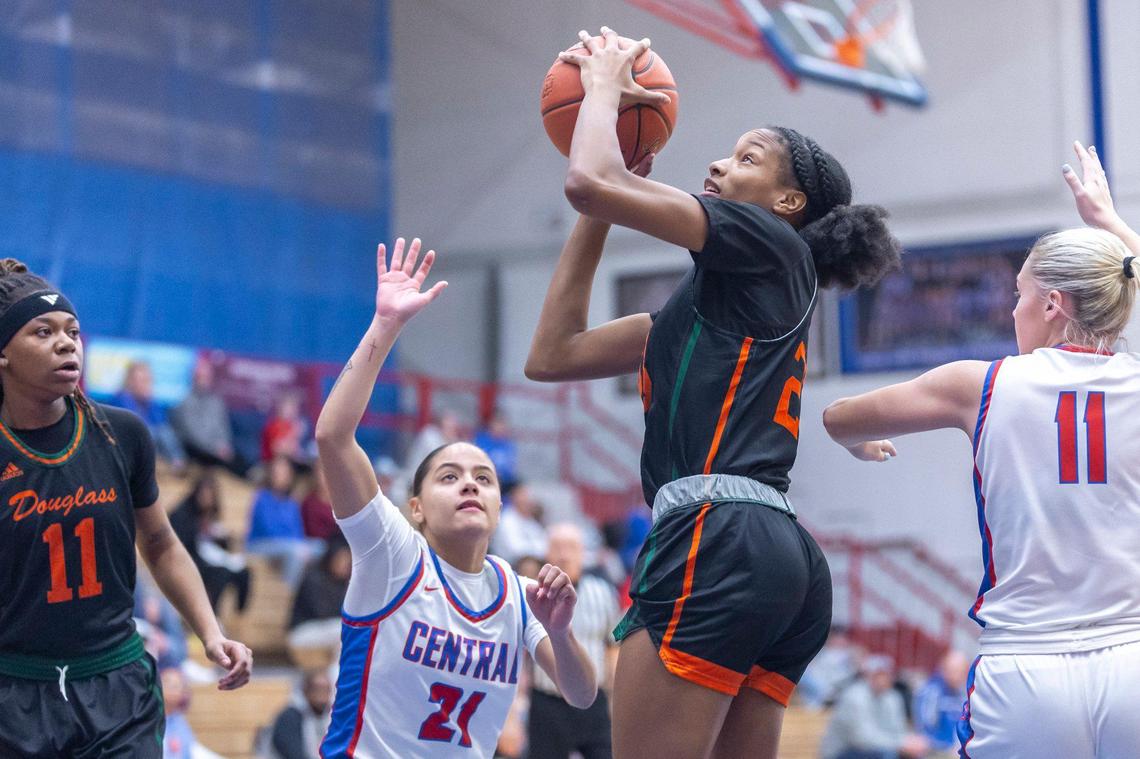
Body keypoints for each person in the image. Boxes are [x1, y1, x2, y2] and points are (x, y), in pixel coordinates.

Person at [526, 27, 902, 758]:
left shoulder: (771, 241)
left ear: (788, 200)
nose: (719, 163)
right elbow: (552, 354)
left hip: (717, 537)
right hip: (774, 552)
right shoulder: (707, 311)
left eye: (746, 157)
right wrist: (602, 201)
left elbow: (585, 176)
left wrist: (602, 88)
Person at [821, 142, 1140, 759]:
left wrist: (859, 446)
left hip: (1029, 667)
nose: (1012, 310)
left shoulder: (980, 383)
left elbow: (837, 419)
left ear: (1051, 303)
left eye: (1019, 295)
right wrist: (1111, 227)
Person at [314, 238, 597, 757]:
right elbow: (334, 436)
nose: (470, 483)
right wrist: (387, 325)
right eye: (448, 476)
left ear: (499, 506)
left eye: (484, 478)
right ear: (415, 506)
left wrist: (559, 632)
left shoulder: (517, 591)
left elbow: (581, 695)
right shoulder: (394, 556)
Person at [0, 260, 251, 757]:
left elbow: (160, 543)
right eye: (42, 332)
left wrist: (210, 632)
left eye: (73, 331)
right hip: (16, 693)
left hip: (117, 686)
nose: (67, 342)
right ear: (3, 354)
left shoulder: (122, 433)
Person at [529, 522, 622, 759]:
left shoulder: (602, 592)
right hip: (547, 701)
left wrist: (613, 697)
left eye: (571, 547)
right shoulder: (531, 593)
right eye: (557, 547)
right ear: (546, 554)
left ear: (583, 554)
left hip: (594, 699)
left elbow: (611, 645)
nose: (564, 554)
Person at [168, 470, 251, 613]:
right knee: (221, 574)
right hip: (188, 559)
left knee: (243, 573)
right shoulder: (182, 513)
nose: (207, 499)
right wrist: (199, 531)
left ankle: (240, 614)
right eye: (204, 494)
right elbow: (179, 541)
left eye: (210, 495)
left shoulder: (211, 513)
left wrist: (220, 538)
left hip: (210, 557)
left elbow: (219, 544)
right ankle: (213, 614)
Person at [817, 655, 929, 759]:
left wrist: (910, 742)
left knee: (913, 754)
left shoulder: (892, 697)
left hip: (871, 749)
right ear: (868, 675)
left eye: (886, 674)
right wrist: (901, 743)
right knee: (887, 754)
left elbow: (898, 730)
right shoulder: (855, 696)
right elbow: (862, 739)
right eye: (878, 674)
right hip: (840, 752)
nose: (883, 679)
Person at [245, 455, 322, 587]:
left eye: (285, 473)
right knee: (295, 551)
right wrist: (297, 546)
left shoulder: (292, 502)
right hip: (259, 543)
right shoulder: (261, 497)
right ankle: (288, 592)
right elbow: (268, 530)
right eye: (278, 472)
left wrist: (301, 547)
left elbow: (298, 531)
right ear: (271, 474)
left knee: (321, 547)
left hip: (288, 546)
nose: (281, 476)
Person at [171, 357, 247, 476]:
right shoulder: (185, 403)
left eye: (206, 376)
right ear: (193, 378)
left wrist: (223, 445)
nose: (203, 380)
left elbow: (223, 428)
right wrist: (214, 449)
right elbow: (193, 435)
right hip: (198, 450)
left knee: (241, 461)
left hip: (218, 449)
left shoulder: (217, 402)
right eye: (200, 376)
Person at [112, 359, 188, 472]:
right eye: (143, 380)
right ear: (130, 382)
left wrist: (149, 402)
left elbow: (162, 425)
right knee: (154, 433)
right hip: (128, 450)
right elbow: (135, 429)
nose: (147, 385)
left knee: (165, 432)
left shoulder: (150, 403)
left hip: (154, 449)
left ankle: (178, 464)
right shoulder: (120, 400)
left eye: (149, 380)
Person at [287, 534, 352, 664]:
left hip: (328, 630)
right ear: (331, 558)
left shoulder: (345, 582)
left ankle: (337, 678)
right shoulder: (314, 577)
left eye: (348, 561)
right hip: (303, 630)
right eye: (341, 560)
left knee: (351, 633)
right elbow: (322, 612)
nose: (344, 565)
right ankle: (336, 679)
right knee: (345, 630)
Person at [265, 668, 334, 759]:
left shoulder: (329, 716)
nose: (321, 696)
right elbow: (295, 754)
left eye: (325, 690)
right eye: (317, 690)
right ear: (306, 690)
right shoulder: (290, 717)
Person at [913, 650, 970, 758]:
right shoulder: (932, 692)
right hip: (934, 751)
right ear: (943, 669)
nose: (957, 675)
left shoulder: (963, 693)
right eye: (953, 670)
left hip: (956, 750)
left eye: (961, 672)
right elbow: (925, 729)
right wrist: (948, 748)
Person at [491, 481, 548, 565]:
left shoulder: (531, 521)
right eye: (522, 495)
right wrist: (538, 551)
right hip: (510, 566)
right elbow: (516, 550)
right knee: (529, 564)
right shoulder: (506, 520)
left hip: (534, 562)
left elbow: (545, 546)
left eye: (527, 495)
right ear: (514, 497)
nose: (526, 499)